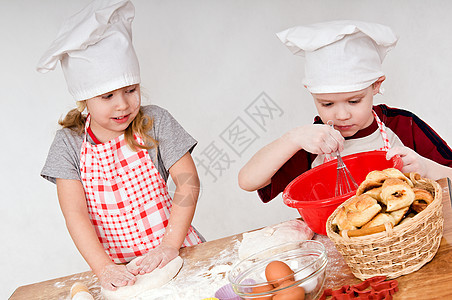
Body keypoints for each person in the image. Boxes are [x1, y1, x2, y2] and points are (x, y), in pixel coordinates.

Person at [37, 0, 203, 291]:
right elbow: (75, 213)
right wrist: (104, 269)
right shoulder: (69, 144)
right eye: (107, 96)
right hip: (121, 272)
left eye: (130, 90)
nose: (123, 105)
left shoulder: (155, 121)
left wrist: (168, 246)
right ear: (84, 99)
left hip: (178, 251)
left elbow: (188, 183)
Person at [238, 20, 452, 203]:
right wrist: (292, 139)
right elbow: (247, 181)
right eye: (327, 104)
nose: (341, 115)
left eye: (353, 101)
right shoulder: (314, 142)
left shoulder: (403, 125)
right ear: (311, 94)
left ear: (376, 86)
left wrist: (425, 168)